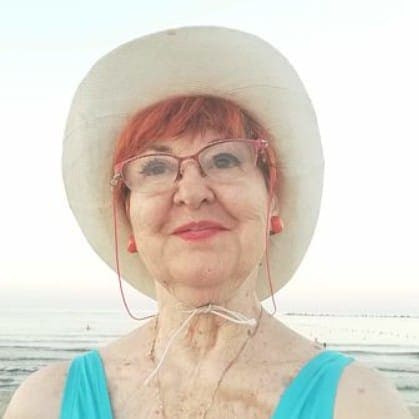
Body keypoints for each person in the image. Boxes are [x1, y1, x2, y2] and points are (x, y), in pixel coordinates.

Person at [5, 26, 412, 419]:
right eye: (155, 167)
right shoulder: (45, 403)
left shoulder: (359, 404)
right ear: (128, 221)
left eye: (224, 159)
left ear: (272, 201)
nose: (192, 191)